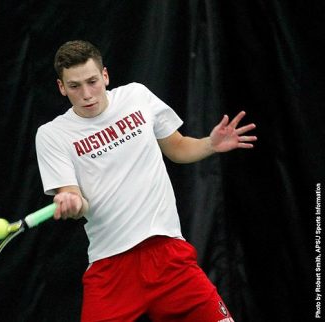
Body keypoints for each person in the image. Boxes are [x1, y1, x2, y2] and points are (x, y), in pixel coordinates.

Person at [35, 40, 256, 322]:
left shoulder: (137, 96)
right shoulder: (52, 135)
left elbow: (176, 147)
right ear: (61, 87)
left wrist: (210, 145)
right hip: (110, 268)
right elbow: (75, 199)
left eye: (92, 81)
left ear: (105, 76)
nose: (87, 94)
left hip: (169, 256)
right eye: (75, 86)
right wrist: (70, 201)